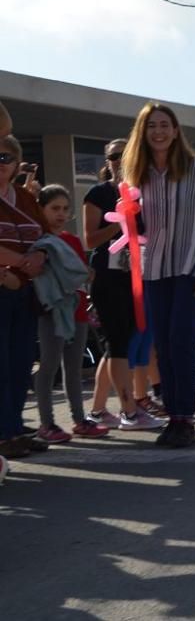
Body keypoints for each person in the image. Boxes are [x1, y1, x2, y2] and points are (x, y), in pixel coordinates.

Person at [124, 103, 195, 447]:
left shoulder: (193, 167)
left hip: (187, 268)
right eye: (152, 126)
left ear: (176, 130)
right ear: (143, 131)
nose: (159, 131)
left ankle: (186, 419)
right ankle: (173, 416)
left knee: (181, 345)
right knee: (162, 348)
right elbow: (130, 222)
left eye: (165, 125)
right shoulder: (136, 172)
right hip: (153, 270)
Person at [84, 138, 165, 431]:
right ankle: (130, 412)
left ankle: (96, 410)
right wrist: (120, 223)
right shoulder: (98, 194)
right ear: (107, 161)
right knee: (118, 345)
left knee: (117, 346)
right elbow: (90, 240)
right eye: (114, 156)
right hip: (108, 278)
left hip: (137, 277)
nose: (119, 161)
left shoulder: (144, 194)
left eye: (125, 155)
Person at [33, 185, 110, 442]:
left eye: (65, 209)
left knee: (74, 368)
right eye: (54, 208)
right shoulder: (39, 242)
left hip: (77, 311)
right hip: (51, 311)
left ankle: (79, 419)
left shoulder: (73, 240)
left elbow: (79, 272)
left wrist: (87, 276)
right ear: (41, 209)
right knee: (49, 365)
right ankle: (47, 423)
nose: (61, 214)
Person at [0, 135, 50, 458]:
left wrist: (39, 258)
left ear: (17, 164)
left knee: (20, 364)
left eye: (5, 158)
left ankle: (15, 428)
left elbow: (45, 238)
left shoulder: (25, 197)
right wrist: (18, 263)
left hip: (25, 292)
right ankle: (3, 434)